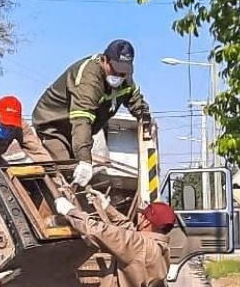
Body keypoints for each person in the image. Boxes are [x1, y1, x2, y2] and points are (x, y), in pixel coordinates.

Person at [32, 39, 152, 187]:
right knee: (66, 173)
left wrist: (145, 118)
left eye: (124, 71)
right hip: (53, 126)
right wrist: (84, 160)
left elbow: (134, 98)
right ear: (104, 60)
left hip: (76, 132)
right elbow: (82, 120)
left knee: (90, 177)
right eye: (115, 69)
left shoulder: (124, 77)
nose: (119, 76)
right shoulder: (88, 79)